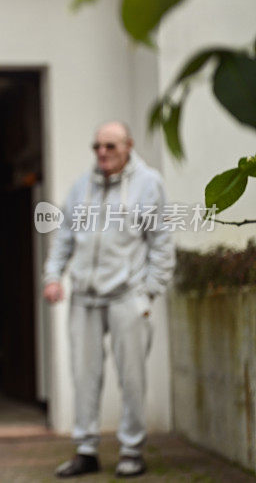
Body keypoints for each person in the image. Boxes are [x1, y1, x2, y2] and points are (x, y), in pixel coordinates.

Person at [43, 121, 175, 478]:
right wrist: (53, 276)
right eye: (97, 146)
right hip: (84, 298)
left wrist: (148, 292)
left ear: (128, 146)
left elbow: (161, 243)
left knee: (132, 377)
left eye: (110, 146)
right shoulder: (81, 186)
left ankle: (132, 450)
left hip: (127, 296)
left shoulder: (149, 184)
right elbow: (64, 238)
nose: (102, 153)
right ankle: (86, 451)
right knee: (84, 376)